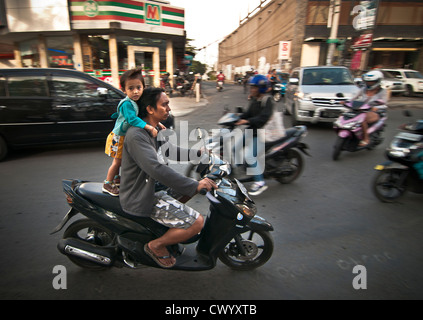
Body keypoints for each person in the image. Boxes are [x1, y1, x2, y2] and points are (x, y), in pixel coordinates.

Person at [119, 87, 217, 268]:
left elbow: (170, 151)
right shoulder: (136, 135)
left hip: (156, 188)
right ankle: (155, 245)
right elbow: (155, 168)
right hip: (143, 195)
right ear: (150, 109)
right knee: (196, 223)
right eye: (164, 105)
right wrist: (193, 185)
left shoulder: (153, 130)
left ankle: (167, 228)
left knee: (192, 188)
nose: (169, 109)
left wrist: (199, 153)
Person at [103, 67, 162, 196]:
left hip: (125, 137)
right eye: (130, 88)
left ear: (143, 87)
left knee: (124, 160)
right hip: (118, 137)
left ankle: (117, 179)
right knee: (117, 161)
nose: (135, 91)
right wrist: (149, 127)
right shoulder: (126, 104)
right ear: (123, 90)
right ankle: (107, 183)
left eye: (138, 88)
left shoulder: (136, 101)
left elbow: (143, 115)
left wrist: (157, 123)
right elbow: (133, 119)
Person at [234, 74, 274, 196]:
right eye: (251, 87)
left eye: (254, 88)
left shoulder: (267, 101)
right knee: (235, 148)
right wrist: (237, 118)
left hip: (262, 133)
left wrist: (247, 121)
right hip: (251, 130)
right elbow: (248, 113)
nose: (252, 90)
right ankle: (241, 170)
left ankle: (260, 182)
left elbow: (263, 118)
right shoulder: (254, 100)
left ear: (261, 88)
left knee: (250, 156)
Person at [351, 70, 388, 147]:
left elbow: (384, 104)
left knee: (362, 120)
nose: (369, 83)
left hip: (374, 112)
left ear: (377, 81)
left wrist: (377, 107)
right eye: (367, 82)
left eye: (371, 82)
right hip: (361, 109)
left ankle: (366, 139)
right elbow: (353, 98)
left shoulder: (383, 91)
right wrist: (346, 102)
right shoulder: (363, 89)